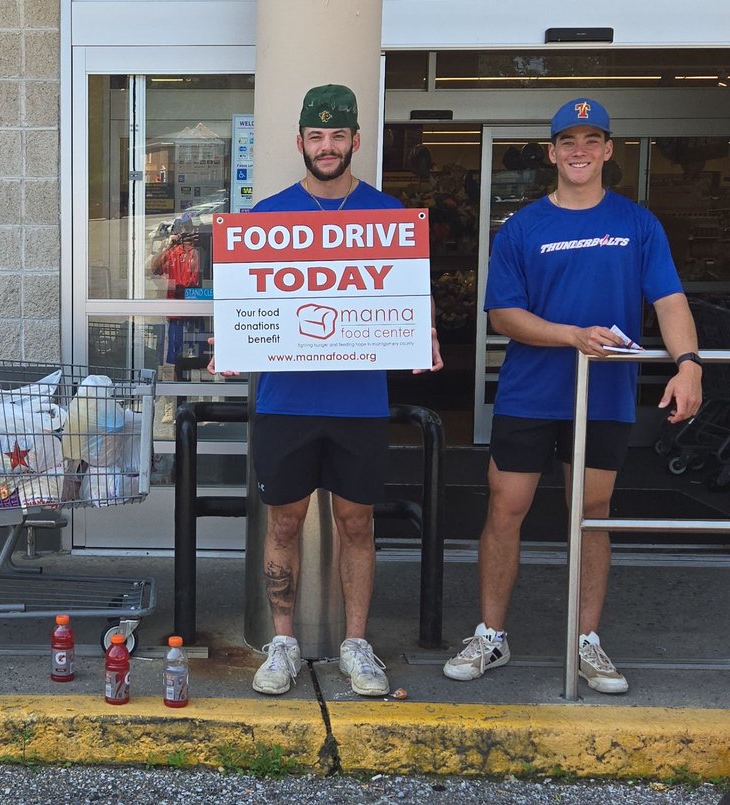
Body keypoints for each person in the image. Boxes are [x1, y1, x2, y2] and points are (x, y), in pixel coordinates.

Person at [442, 98, 702, 694]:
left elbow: (670, 302)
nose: (579, 151)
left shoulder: (639, 224)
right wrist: (572, 336)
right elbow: (504, 315)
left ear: (609, 150)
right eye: (568, 141)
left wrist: (688, 365)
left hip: (604, 397)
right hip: (530, 395)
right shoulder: (525, 228)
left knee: (590, 515)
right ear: (553, 153)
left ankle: (587, 642)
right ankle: (491, 635)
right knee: (505, 508)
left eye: (591, 140)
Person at [209, 84, 442, 697]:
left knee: (358, 523)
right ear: (301, 143)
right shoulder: (264, 219)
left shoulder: (390, 218)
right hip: (286, 400)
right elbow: (242, 303)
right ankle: (282, 643)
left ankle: (356, 644)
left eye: (339, 135)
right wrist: (229, 341)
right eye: (318, 135)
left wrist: (427, 334)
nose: (328, 145)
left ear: (356, 141)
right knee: (282, 524)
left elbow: (409, 300)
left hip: (359, 402)